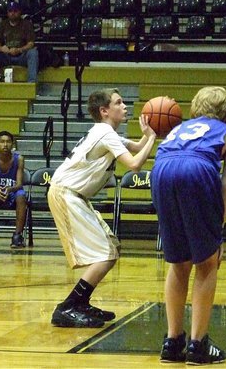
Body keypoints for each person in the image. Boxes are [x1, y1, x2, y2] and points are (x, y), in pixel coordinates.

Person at [47, 88, 156, 328]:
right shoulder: (105, 132)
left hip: (74, 195)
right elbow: (136, 164)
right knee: (105, 254)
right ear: (104, 111)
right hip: (66, 193)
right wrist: (152, 138)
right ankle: (67, 307)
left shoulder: (106, 132)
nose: (125, 106)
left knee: (111, 249)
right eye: (119, 102)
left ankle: (80, 302)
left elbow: (137, 147)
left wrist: (147, 135)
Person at [151, 87, 226, 365]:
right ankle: (197, 345)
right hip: (196, 170)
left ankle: (172, 341)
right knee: (206, 263)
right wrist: (219, 226)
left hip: (161, 169)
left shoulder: (179, 127)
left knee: (179, 263)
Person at [0, 1, 38, 83]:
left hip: (21, 56)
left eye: (15, 11)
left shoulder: (27, 24)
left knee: (33, 52)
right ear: (7, 13)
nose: (12, 13)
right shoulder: (3, 24)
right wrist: (2, 49)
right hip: (6, 56)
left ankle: (32, 82)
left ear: (20, 12)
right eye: (10, 11)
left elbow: (31, 44)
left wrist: (19, 50)